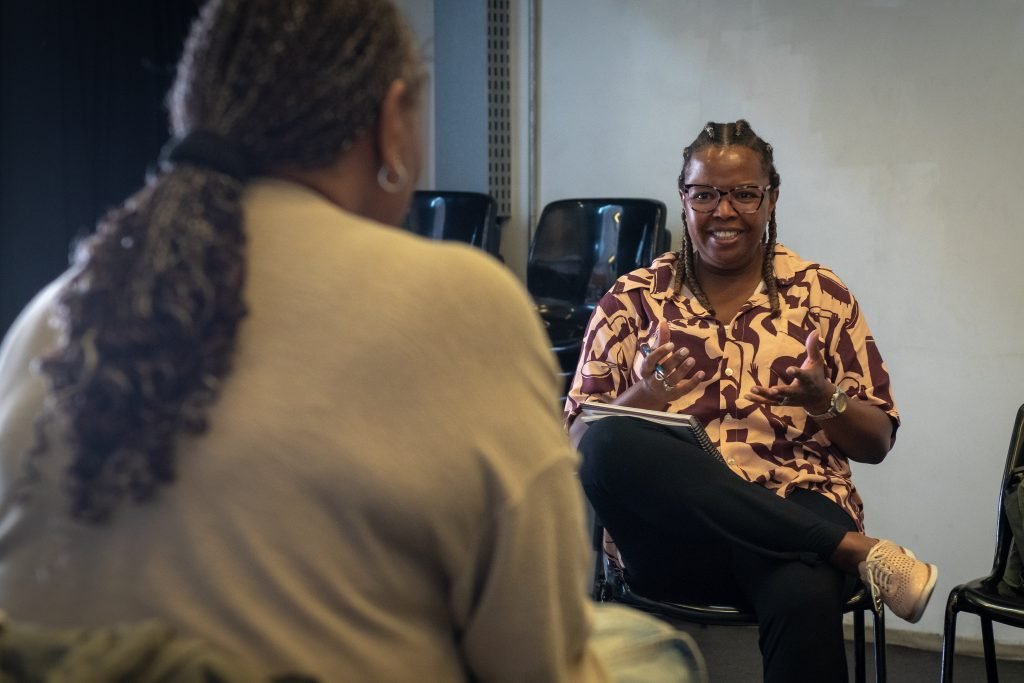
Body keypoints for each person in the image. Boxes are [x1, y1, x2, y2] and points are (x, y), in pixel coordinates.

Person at [0, 1, 707, 681]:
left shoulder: (53, 310)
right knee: (647, 646)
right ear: (390, 122)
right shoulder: (460, 298)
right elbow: (536, 655)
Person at [566, 119, 938, 683]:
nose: (724, 211)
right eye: (705, 194)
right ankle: (853, 550)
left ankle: (827, 547)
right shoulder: (634, 300)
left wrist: (825, 399)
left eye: (744, 194)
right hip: (674, 539)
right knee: (611, 439)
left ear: (771, 198)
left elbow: (878, 441)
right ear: (683, 198)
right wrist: (644, 397)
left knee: (803, 591)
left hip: (798, 503)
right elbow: (576, 450)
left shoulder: (821, 295)